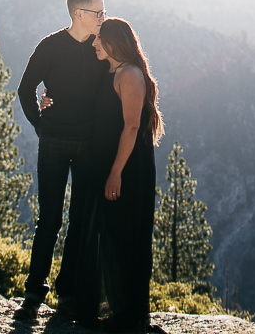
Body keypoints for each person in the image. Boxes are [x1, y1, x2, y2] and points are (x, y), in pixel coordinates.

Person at [14, 0, 109, 321]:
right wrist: (41, 125)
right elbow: (25, 88)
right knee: (50, 219)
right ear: (79, 14)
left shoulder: (101, 48)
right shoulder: (50, 46)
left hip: (89, 145)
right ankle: (33, 295)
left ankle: (69, 295)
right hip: (53, 142)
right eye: (98, 12)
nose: (103, 17)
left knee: (81, 221)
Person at [75, 17, 164, 333]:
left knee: (125, 236)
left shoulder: (129, 74)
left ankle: (127, 317)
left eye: (100, 39)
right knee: (110, 235)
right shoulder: (111, 71)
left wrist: (115, 172)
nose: (95, 43)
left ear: (115, 42)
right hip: (110, 167)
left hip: (127, 169)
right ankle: (112, 310)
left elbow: (132, 126)